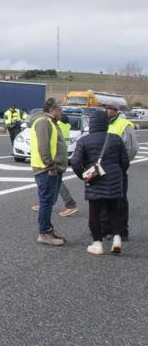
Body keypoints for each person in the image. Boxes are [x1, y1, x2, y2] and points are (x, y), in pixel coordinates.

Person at [70, 107, 130, 255]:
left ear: (91, 124)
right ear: (105, 123)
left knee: (94, 213)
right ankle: (117, 239)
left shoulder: (84, 141)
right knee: (114, 211)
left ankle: (98, 244)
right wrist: (118, 173)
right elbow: (125, 162)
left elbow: (75, 163)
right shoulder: (116, 139)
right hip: (114, 179)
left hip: (95, 180)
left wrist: (84, 176)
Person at [29, 99, 68, 246]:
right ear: (52, 110)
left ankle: (48, 230)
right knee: (46, 201)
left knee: (49, 201)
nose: (61, 112)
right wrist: (50, 166)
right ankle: (44, 233)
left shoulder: (50, 122)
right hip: (46, 169)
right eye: (59, 109)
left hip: (52, 168)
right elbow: (43, 146)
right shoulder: (43, 122)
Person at [31, 107, 80, 219]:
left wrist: (49, 162)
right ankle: (47, 203)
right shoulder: (63, 125)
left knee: (54, 183)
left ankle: (69, 204)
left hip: (53, 158)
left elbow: (48, 144)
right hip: (59, 157)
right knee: (53, 183)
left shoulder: (53, 124)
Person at [105, 102, 138, 241]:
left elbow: (132, 148)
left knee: (120, 200)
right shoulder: (101, 123)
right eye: (106, 108)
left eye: (111, 109)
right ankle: (106, 229)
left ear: (116, 110)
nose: (107, 111)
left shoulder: (124, 124)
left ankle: (122, 231)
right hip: (103, 169)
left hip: (118, 168)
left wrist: (122, 165)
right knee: (103, 199)